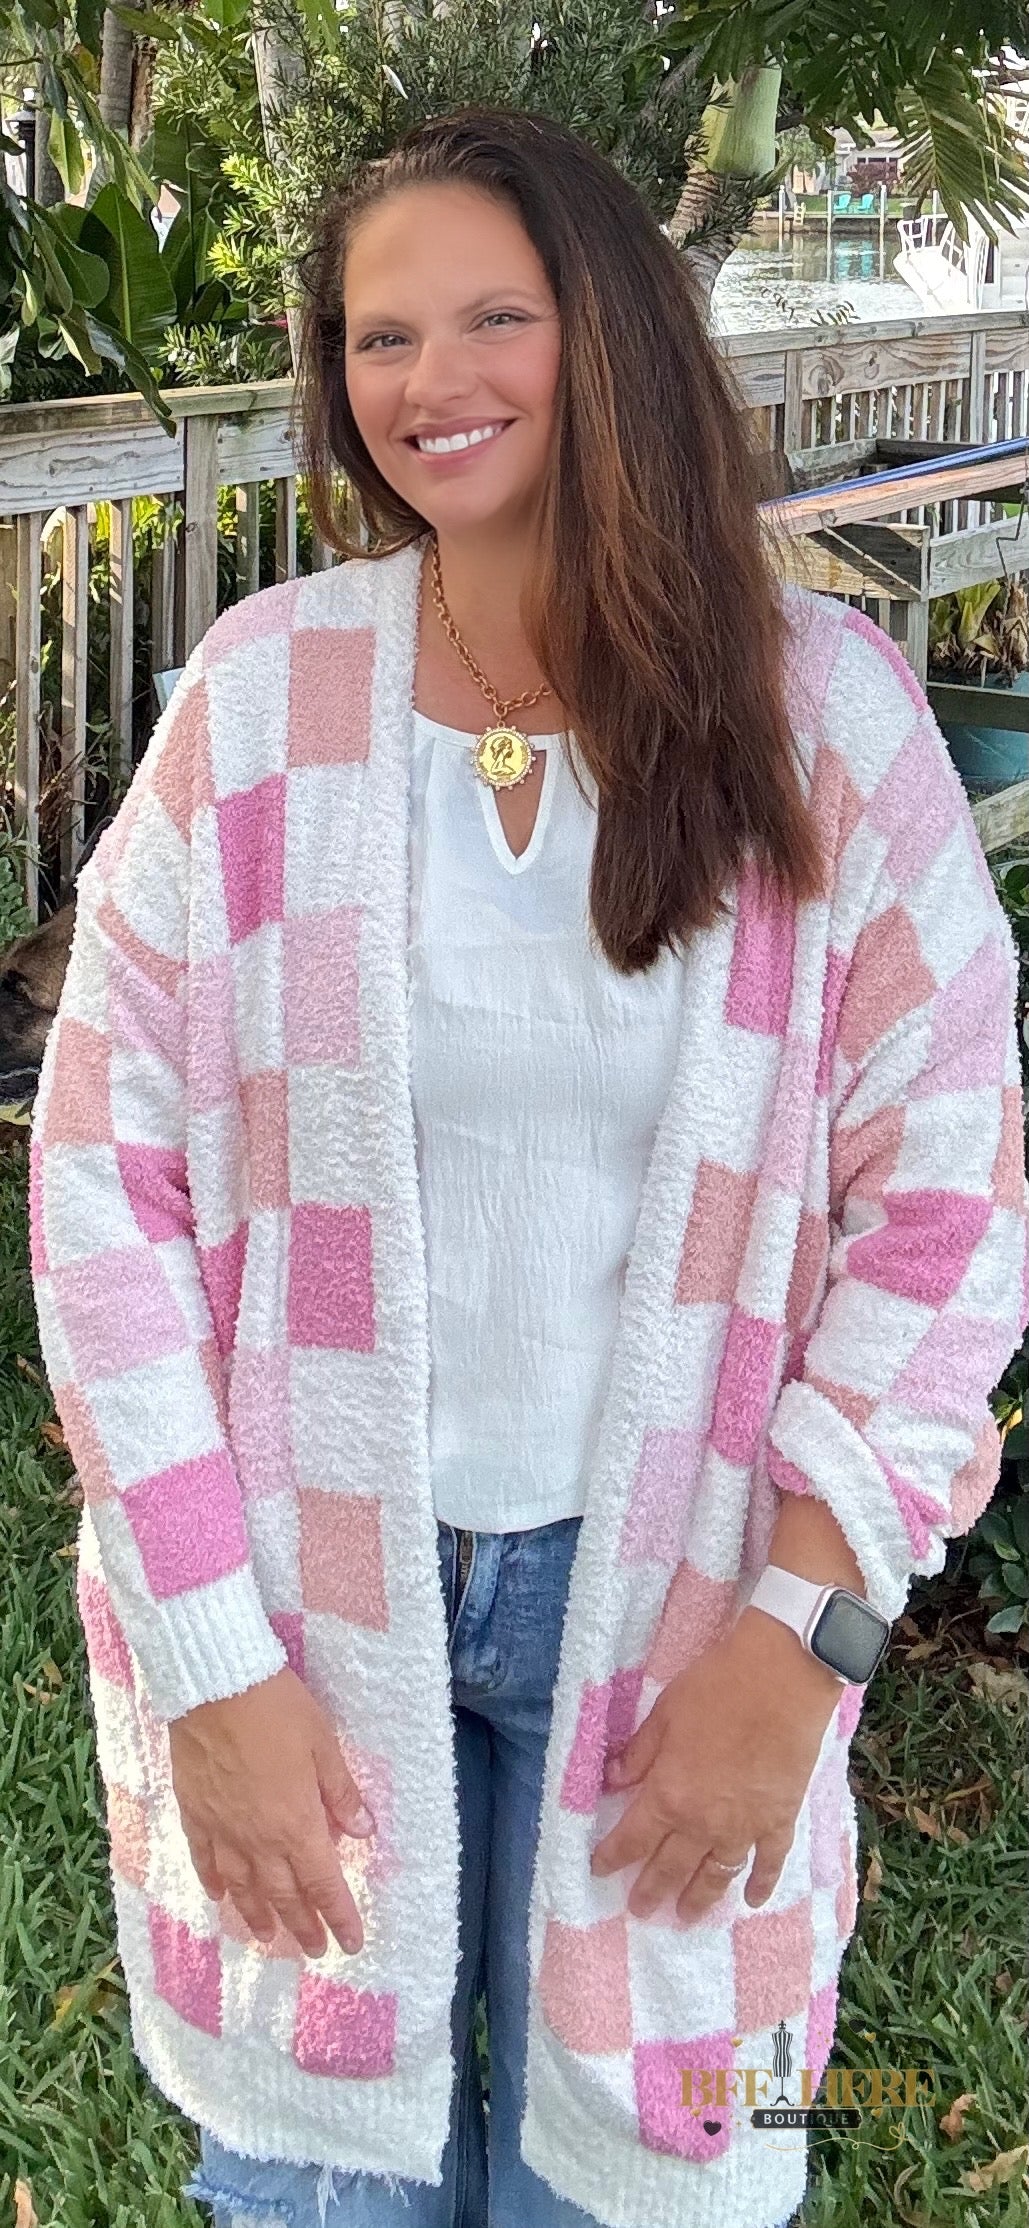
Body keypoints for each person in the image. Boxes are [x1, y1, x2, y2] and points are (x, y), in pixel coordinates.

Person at [27, 104, 1027, 2228]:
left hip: (686, 1602)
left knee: (650, 2176)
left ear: (613, 330)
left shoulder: (823, 720)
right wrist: (211, 1662)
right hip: (300, 1583)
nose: (432, 380)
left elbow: (947, 1212)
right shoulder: (258, 700)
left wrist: (803, 1641)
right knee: (303, 2176)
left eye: (496, 316)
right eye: (380, 336)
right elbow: (105, 1184)